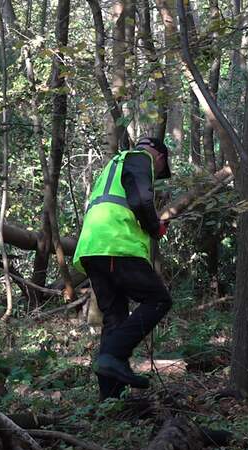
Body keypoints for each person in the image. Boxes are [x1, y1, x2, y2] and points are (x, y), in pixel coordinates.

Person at [72, 137, 173, 400]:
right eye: (161, 171)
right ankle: (113, 356)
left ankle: (110, 400)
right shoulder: (141, 158)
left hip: (93, 248)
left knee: (114, 319)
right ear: (159, 157)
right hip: (116, 244)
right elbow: (140, 200)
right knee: (159, 300)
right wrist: (155, 227)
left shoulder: (113, 165)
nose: (157, 174)